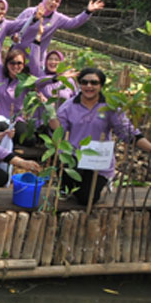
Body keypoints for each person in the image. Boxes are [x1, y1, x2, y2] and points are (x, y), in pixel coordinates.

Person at [50, 68, 151, 206]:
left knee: (87, 199)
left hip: (98, 159)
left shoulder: (110, 107)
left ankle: (101, 183)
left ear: (101, 86)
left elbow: (128, 132)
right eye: (84, 82)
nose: (88, 86)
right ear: (79, 85)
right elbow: (59, 133)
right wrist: (51, 118)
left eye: (94, 83)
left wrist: (149, 148)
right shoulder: (69, 106)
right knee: (65, 176)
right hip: (75, 155)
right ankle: (68, 185)